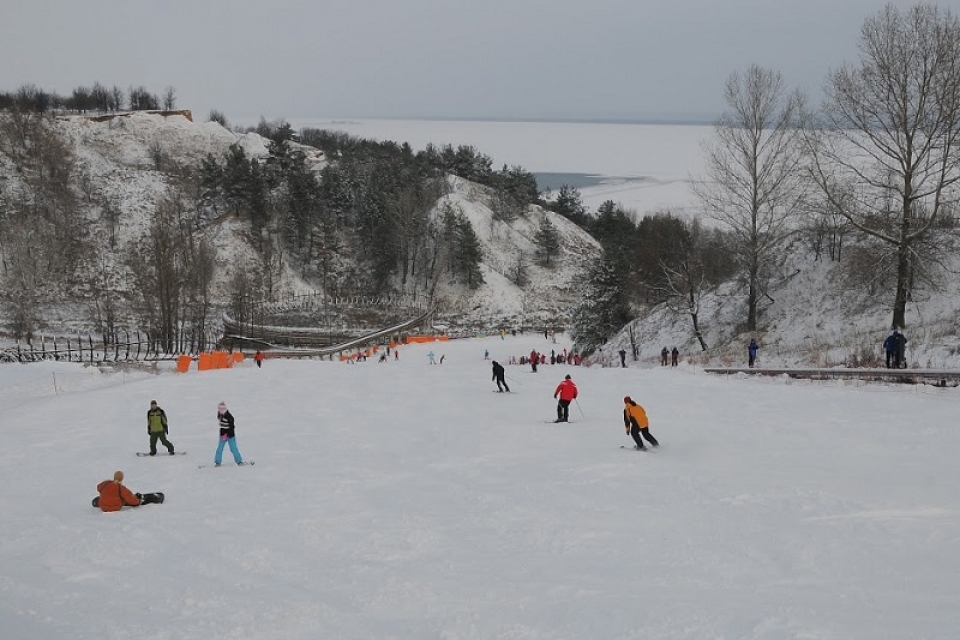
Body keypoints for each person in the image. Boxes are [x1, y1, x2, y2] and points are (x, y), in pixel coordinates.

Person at [215, 401, 244, 466]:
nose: (220, 411)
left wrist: (227, 434)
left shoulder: (229, 417)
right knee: (219, 448)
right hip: (222, 436)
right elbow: (222, 426)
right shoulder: (219, 415)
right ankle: (217, 462)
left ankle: (239, 461)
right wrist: (223, 434)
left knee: (233, 448)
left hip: (230, 436)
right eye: (219, 409)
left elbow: (231, 427)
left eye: (222, 409)